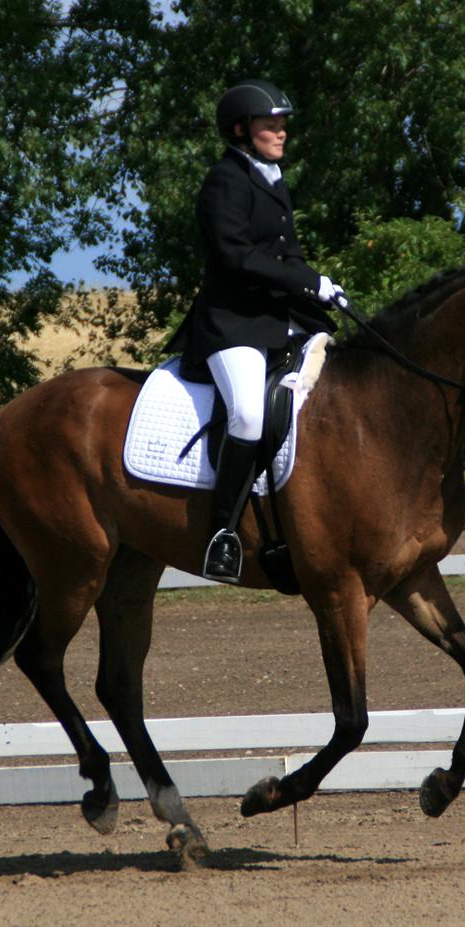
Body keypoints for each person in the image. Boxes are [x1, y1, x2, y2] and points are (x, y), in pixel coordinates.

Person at [167, 79, 343, 583]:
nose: (282, 131)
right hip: (232, 324)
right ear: (242, 130)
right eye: (272, 124)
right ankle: (221, 535)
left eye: (283, 123)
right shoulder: (225, 181)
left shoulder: (271, 177)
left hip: (277, 318)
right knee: (246, 414)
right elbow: (237, 256)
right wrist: (306, 280)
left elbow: (286, 254)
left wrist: (320, 291)